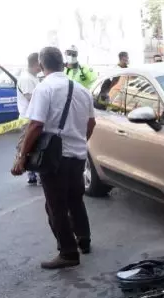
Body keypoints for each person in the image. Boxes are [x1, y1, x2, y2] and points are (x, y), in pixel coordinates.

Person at [11, 46, 96, 269]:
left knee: (55, 207)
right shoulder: (82, 89)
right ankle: (84, 240)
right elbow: (91, 123)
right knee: (75, 199)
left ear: (41, 65)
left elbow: (36, 125)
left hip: (55, 159)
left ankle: (68, 253)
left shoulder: (44, 88)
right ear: (63, 64)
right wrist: (79, 140)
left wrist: (22, 157)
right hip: (78, 156)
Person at [16, 52, 42, 185]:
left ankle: (33, 174)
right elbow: (31, 98)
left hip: (33, 118)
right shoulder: (26, 79)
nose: (42, 66)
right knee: (29, 146)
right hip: (28, 119)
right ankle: (33, 174)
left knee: (34, 146)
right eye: (40, 63)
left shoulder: (34, 77)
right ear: (36, 64)